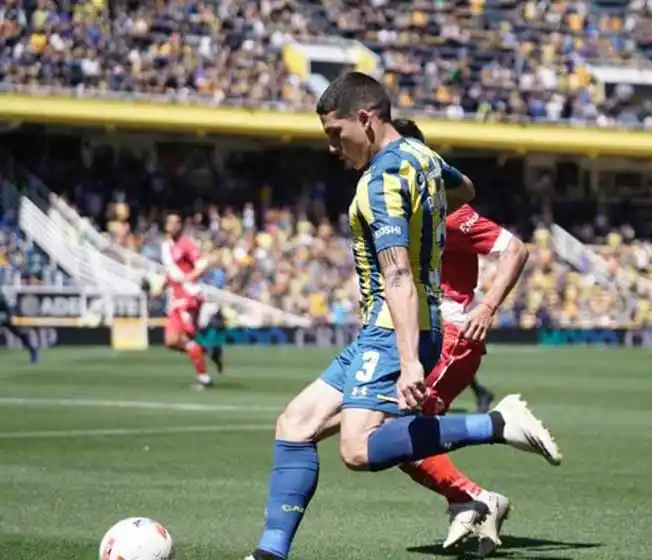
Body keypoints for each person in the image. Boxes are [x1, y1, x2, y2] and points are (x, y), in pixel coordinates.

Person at [247, 72, 561, 560]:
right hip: (390, 327)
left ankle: (496, 425)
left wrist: (411, 360)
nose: (333, 148)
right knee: (295, 424)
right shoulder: (424, 157)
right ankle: (269, 555)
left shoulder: (380, 181)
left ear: (366, 119)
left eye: (336, 134)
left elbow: (397, 276)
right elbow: (467, 189)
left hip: (395, 330)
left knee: (357, 448)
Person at [389, 118, 530, 554]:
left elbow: (514, 249)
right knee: (390, 434)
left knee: (398, 432)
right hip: (422, 332)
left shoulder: (449, 210)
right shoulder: (395, 206)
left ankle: (476, 493)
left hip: (451, 331)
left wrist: (487, 307)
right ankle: (469, 499)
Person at [160, 213, 220, 389]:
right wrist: (163, 286)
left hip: (188, 296)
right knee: (171, 341)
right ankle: (207, 350)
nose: (172, 225)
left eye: (176, 222)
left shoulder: (186, 243)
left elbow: (202, 264)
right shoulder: (166, 246)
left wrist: (188, 278)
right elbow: (170, 271)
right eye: (169, 221)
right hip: (174, 297)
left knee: (186, 336)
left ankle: (204, 378)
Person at [0, 289, 38, 363]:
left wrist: (7, 318)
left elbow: (9, 309)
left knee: (19, 333)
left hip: (5, 318)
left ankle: (32, 350)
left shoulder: (2, 298)